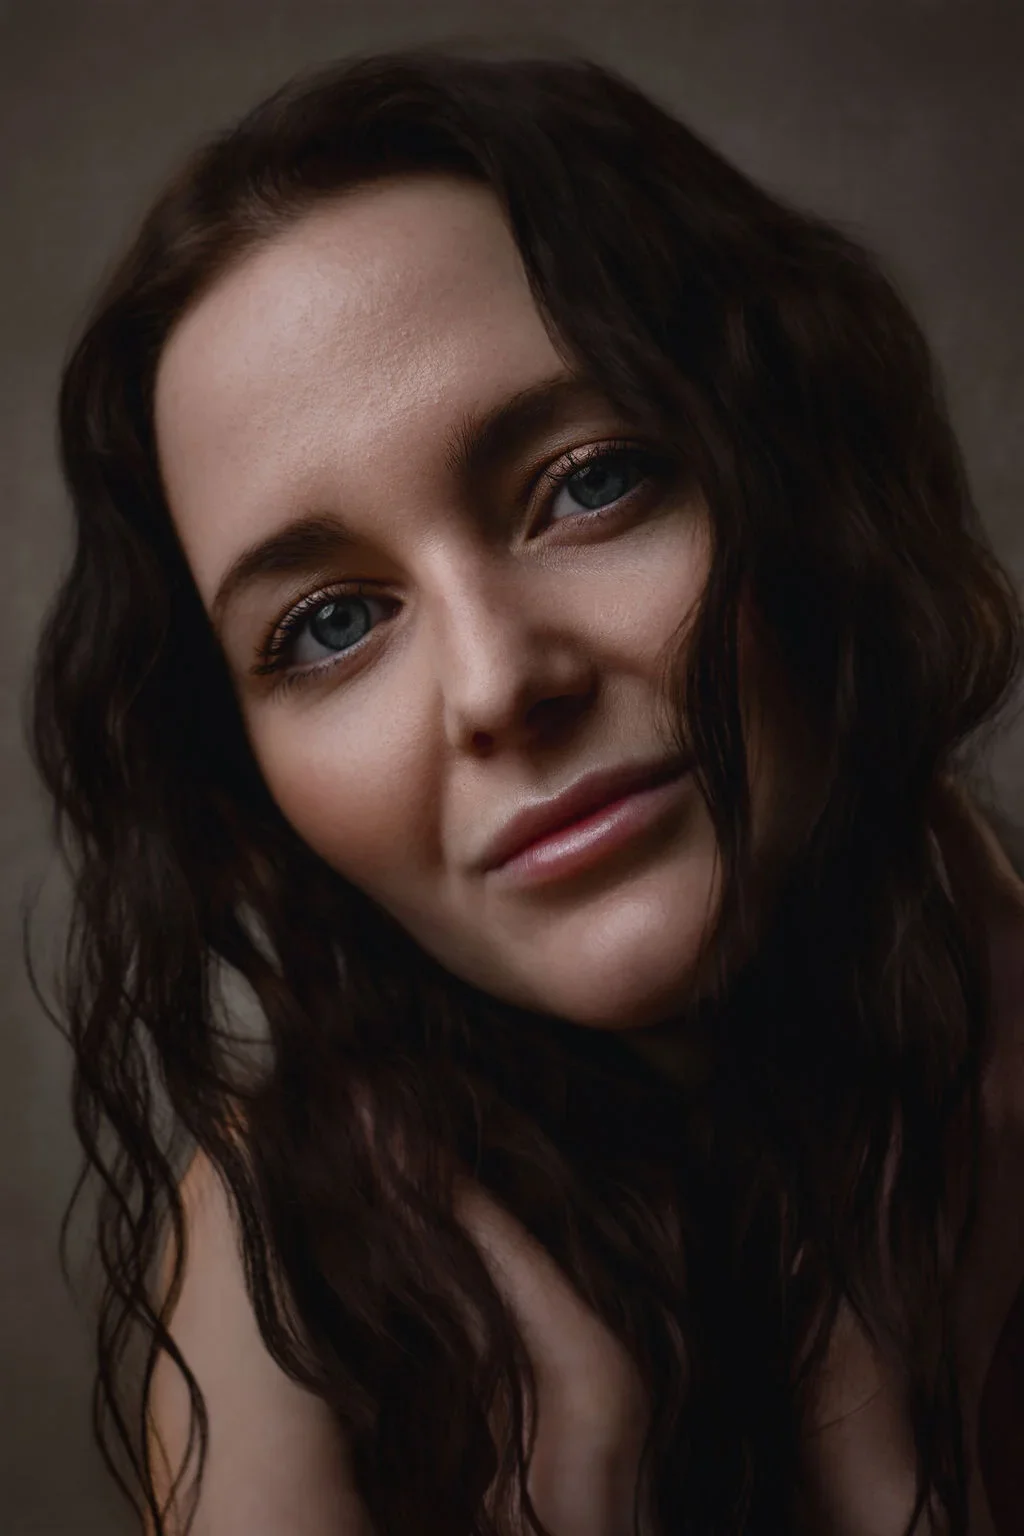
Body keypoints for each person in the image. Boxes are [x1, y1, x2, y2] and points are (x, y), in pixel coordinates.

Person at [30, 45, 1024, 1536]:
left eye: (589, 480)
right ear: (243, 778)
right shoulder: (281, 1275)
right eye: (330, 625)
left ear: (797, 469)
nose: (499, 686)